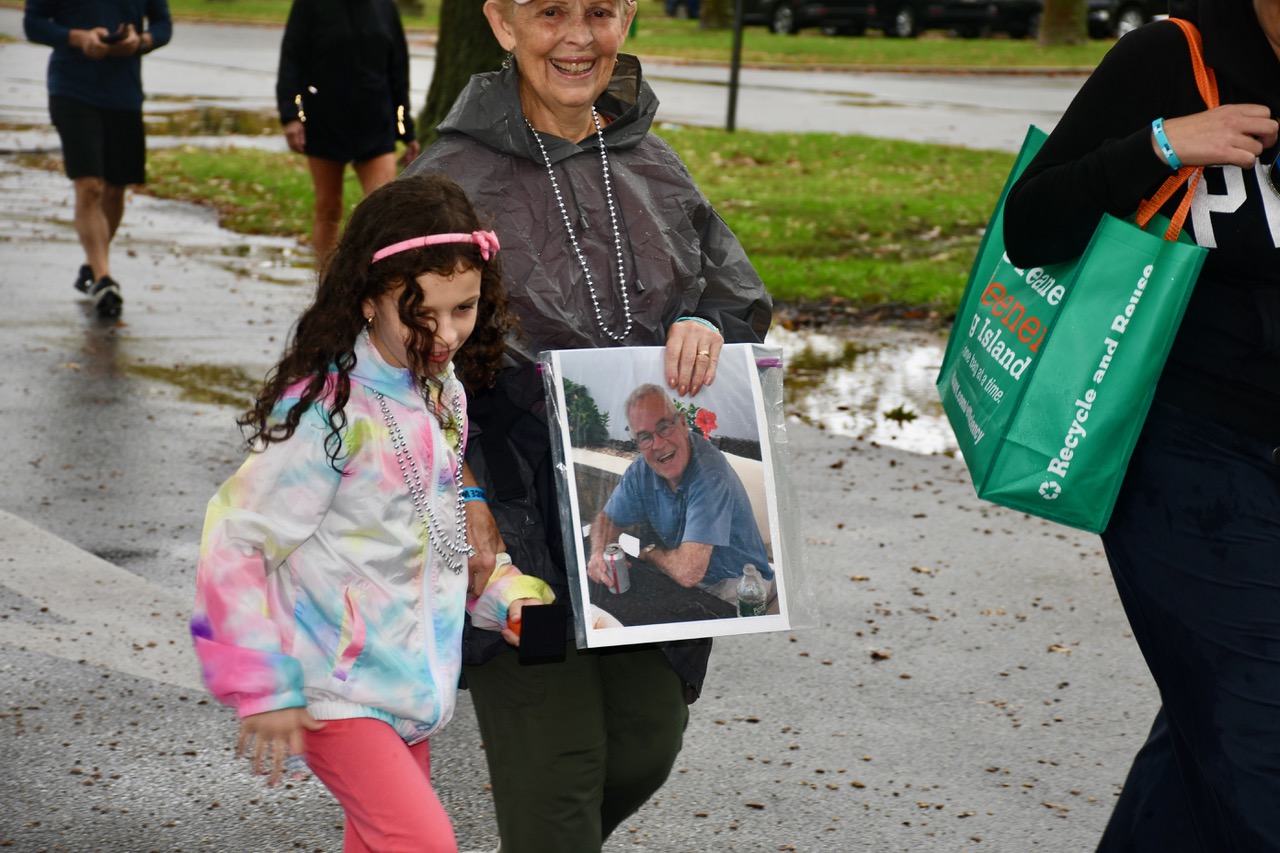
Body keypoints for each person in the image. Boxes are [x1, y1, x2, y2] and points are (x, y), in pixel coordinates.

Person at [401, 0, 772, 847]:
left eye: (599, 11)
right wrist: (464, 488)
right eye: (550, 11)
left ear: (628, 16)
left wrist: (709, 325)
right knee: (561, 770)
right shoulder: (449, 178)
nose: (578, 36)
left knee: (645, 740)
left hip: (631, 517)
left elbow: (734, 291)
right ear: (500, 23)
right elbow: (392, 354)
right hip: (509, 517)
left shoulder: (652, 161)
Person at [189, 174, 553, 852]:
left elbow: (438, 532)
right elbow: (235, 539)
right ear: (366, 299)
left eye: (465, 308)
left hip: (407, 693)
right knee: (423, 843)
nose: (446, 334)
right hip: (334, 685)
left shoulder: (440, 391)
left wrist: (505, 594)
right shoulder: (328, 410)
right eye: (422, 315)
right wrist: (261, 681)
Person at [1003, 1, 1280, 849]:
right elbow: (1031, 225)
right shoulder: (1174, 54)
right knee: (1261, 726)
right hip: (1186, 454)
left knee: (1212, 733)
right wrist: (1159, 146)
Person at [23, 0, 172, 319]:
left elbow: (163, 24)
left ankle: (92, 266)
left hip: (124, 93)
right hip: (72, 90)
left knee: (116, 189)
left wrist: (140, 42)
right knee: (89, 185)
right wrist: (78, 38)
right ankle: (104, 279)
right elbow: (33, 23)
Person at [587, 383, 772, 604]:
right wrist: (598, 553)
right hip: (688, 577)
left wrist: (651, 553)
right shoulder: (641, 469)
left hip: (738, 582)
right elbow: (607, 519)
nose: (657, 444)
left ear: (683, 423)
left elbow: (688, 572)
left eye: (664, 427)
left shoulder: (709, 472)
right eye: (645, 437)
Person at [276, 0, 421, 262]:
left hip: (375, 123)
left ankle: (374, 285)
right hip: (325, 119)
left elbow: (398, 70)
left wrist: (406, 130)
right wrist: (291, 116)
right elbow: (291, 59)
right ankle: (328, 287)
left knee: (383, 211)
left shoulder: (385, 7)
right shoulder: (310, 6)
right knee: (328, 206)